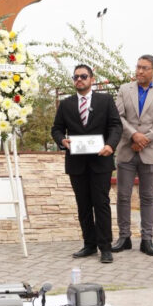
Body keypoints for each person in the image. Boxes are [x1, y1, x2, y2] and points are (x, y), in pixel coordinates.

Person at [51, 64, 122, 263]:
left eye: (83, 76)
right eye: (76, 77)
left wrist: (110, 145)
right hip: (77, 163)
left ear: (92, 79)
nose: (79, 80)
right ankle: (89, 245)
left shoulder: (105, 100)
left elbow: (116, 125)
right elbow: (56, 129)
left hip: (101, 160)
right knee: (83, 205)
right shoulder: (66, 104)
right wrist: (62, 140)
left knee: (101, 204)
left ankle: (105, 247)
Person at [113, 54, 153, 257]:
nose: (139, 71)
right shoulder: (124, 89)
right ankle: (124, 237)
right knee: (123, 196)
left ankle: (147, 239)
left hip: (150, 151)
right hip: (126, 149)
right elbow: (118, 116)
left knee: (148, 197)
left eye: (144, 68)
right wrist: (134, 135)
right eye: (138, 67)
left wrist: (144, 139)